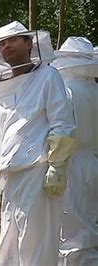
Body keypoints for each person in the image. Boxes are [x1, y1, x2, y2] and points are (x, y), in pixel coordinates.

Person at [0, 21, 76, 265]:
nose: (6, 47)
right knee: (9, 247)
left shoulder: (48, 76)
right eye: (2, 43)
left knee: (36, 245)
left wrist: (57, 167)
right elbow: (0, 134)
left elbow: (62, 122)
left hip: (38, 171)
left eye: (12, 40)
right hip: (10, 177)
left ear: (29, 43)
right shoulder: (1, 87)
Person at [52, 36, 98, 265]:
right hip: (92, 161)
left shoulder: (67, 91)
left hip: (71, 164)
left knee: (71, 231)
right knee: (88, 223)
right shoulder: (94, 90)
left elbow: (63, 133)